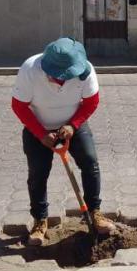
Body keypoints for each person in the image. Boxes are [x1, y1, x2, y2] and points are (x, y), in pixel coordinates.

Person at [11, 37, 115, 245]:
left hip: (72, 124)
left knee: (90, 162)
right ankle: (40, 221)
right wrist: (41, 134)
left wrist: (73, 125)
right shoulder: (30, 70)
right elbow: (19, 106)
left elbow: (91, 102)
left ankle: (95, 212)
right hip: (38, 127)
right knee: (38, 173)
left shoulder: (85, 70)